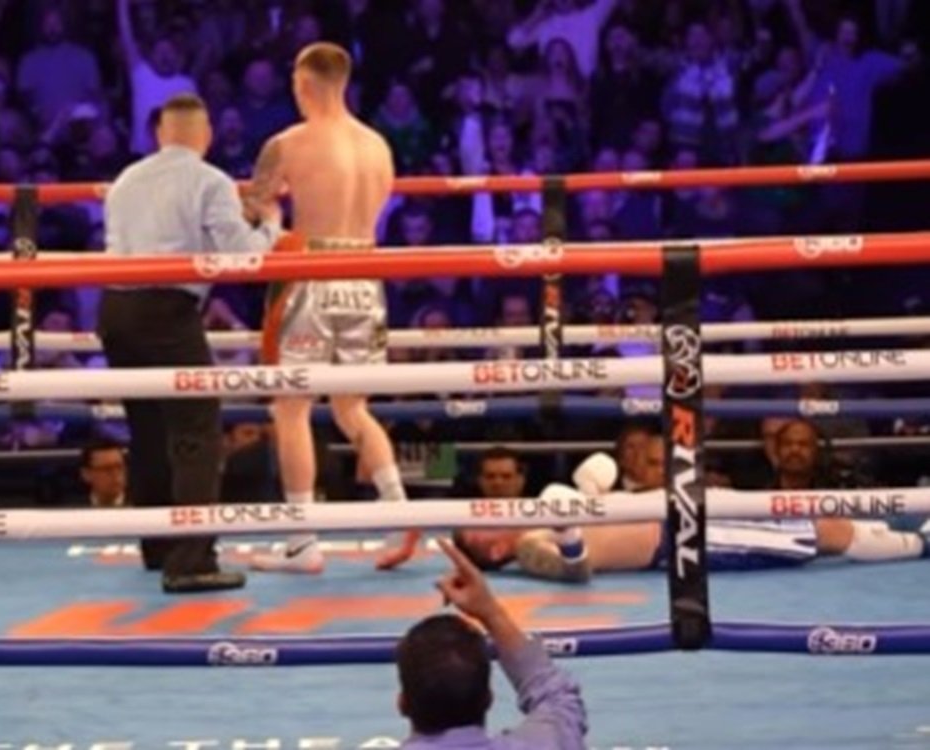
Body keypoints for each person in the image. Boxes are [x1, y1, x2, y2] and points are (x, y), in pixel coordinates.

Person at [243, 42, 419, 574]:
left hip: (310, 272)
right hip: (365, 273)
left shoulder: (288, 142)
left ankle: (302, 542)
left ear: (304, 85)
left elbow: (255, 207)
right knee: (351, 408)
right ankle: (399, 514)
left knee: (290, 407)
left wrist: (263, 207)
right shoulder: (378, 146)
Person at [100, 92, 281, 594]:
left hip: (115, 310)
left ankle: (158, 547)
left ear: (160, 133)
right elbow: (245, 260)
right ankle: (192, 559)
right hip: (167, 312)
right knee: (197, 432)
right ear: (206, 136)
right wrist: (269, 224)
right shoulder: (210, 180)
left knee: (150, 430)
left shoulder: (126, 180)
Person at [454, 447, 930, 583]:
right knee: (820, 532)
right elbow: (576, 572)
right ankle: (920, 545)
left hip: (678, 510)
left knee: (798, 513)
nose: (495, 509)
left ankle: (892, 533)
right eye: (485, 523)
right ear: (493, 547)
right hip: (684, 540)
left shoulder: (543, 507)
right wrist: (570, 532)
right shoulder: (530, 546)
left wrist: (593, 491)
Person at [398, 538, 587, 750]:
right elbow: (558, 697)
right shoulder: (547, 743)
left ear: (402, 703)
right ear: (489, 698)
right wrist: (492, 614)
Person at [80, 438, 128, 508]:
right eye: (107, 469)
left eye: (119, 467)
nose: (115, 474)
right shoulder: (71, 510)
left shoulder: (141, 507)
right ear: (86, 474)